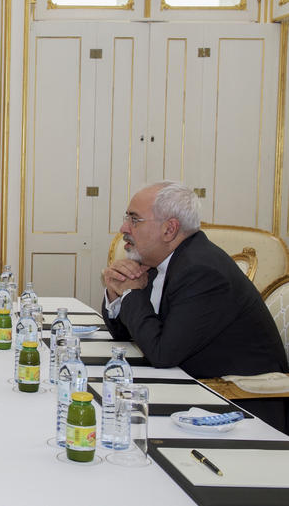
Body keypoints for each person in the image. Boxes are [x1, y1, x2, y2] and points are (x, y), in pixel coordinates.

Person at [102, 181, 288, 432]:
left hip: (238, 409)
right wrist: (118, 293)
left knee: (114, 419)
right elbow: (130, 334)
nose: (124, 228)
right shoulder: (165, 260)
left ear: (169, 229)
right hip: (193, 387)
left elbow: (162, 354)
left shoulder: (201, 271)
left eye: (135, 220)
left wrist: (132, 294)